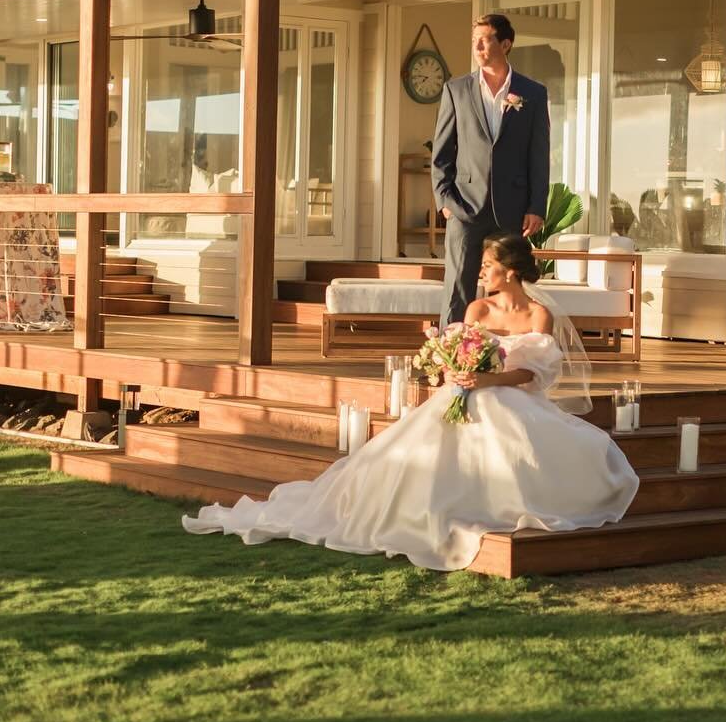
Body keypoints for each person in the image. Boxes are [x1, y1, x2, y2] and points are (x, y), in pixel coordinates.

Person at [182, 234, 639, 572]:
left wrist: (487, 378)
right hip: (464, 391)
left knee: (508, 423)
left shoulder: (537, 315)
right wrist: (456, 374)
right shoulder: (477, 310)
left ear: (511, 271)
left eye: (488, 264)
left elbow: (532, 372)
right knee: (434, 433)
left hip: (506, 393)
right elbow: (455, 356)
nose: (481, 271)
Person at [432, 13, 550, 326]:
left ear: (506, 44)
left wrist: (537, 206)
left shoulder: (533, 93)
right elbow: (442, 154)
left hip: (512, 209)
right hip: (464, 207)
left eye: (485, 40)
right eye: (475, 41)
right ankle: (450, 360)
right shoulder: (456, 90)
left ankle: (500, 356)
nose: (478, 46)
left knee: (508, 289)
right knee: (458, 287)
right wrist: (445, 202)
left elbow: (539, 154)